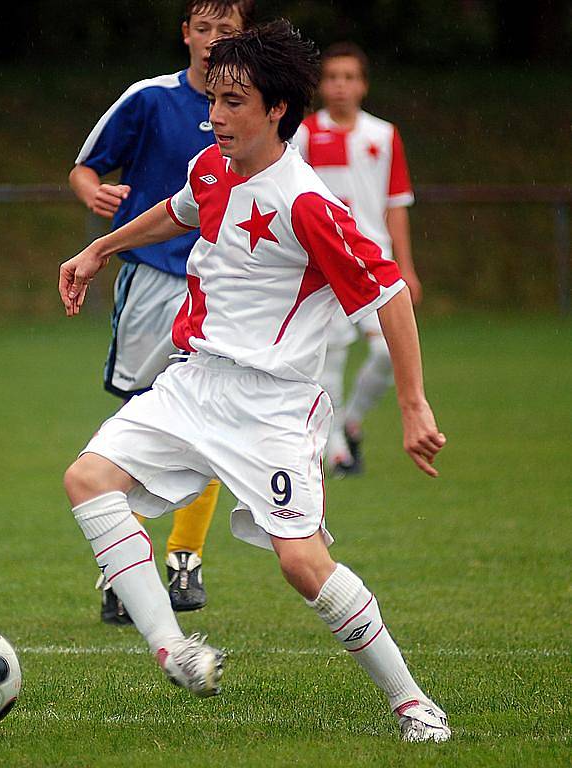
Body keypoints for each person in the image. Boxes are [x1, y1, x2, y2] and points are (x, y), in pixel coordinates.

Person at [59, 21, 451, 743]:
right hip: (194, 381)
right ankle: (173, 649)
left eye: (233, 101)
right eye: (213, 98)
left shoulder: (306, 203)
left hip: (272, 405)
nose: (215, 115)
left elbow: (388, 293)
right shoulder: (212, 167)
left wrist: (412, 403)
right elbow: (177, 210)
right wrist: (100, 249)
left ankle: (412, 702)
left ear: (276, 109)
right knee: (88, 479)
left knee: (302, 565)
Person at [69, 0, 254, 623]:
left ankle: (185, 556)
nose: (213, 41)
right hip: (151, 278)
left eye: (226, 30)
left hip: (222, 284)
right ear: (185, 34)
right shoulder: (150, 98)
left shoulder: (259, 111)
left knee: (209, 412)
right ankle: (121, 570)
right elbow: (85, 167)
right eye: (204, 29)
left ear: (243, 37)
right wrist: (94, 191)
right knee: (138, 413)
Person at [293, 42, 422, 476]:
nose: (340, 86)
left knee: (388, 352)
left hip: (375, 262)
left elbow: (396, 203)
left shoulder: (383, 135)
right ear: (321, 85)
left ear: (363, 85)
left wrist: (406, 266)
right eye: (331, 77)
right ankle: (335, 449)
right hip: (326, 265)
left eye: (349, 77)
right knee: (329, 356)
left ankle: (351, 419)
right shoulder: (306, 133)